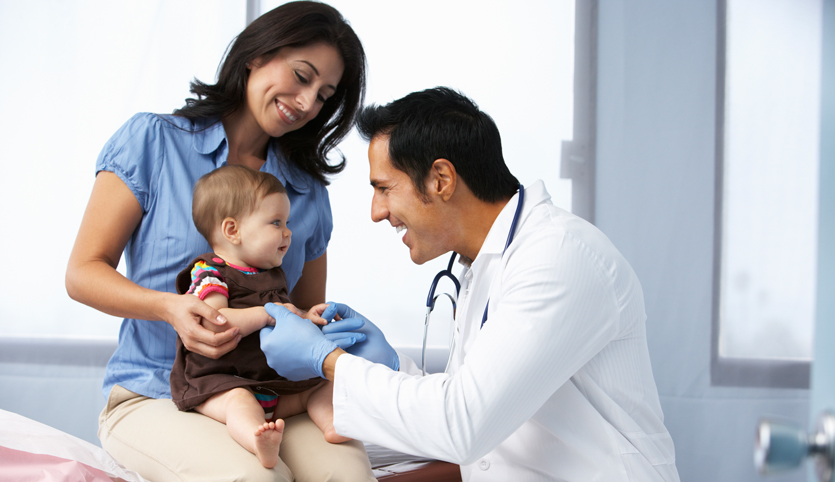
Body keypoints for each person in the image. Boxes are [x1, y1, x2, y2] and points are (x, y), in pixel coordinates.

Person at [258, 87, 682, 481]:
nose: (376, 211)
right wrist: (387, 366)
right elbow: (469, 400)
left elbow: (462, 424)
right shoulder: (482, 263)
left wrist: (328, 361)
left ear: (441, 179)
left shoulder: (559, 258)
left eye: (384, 188)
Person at [64, 2, 375, 481]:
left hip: (271, 393)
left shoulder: (307, 192)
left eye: (324, 94)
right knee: (257, 478)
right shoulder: (153, 142)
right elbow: (83, 272)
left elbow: (304, 314)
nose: (308, 102)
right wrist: (168, 308)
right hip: (154, 392)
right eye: (301, 75)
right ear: (256, 55)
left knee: (349, 477)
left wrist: (324, 328)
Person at [171, 165, 357, 469]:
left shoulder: (271, 275)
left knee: (325, 383)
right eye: (276, 222)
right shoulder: (210, 272)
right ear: (233, 230)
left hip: (274, 383)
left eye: (287, 222)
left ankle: (331, 424)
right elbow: (213, 319)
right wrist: (265, 314)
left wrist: (305, 316)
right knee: (239, 405)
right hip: (221, 380)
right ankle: (258, 441)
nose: (288, 232)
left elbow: (283, 316)